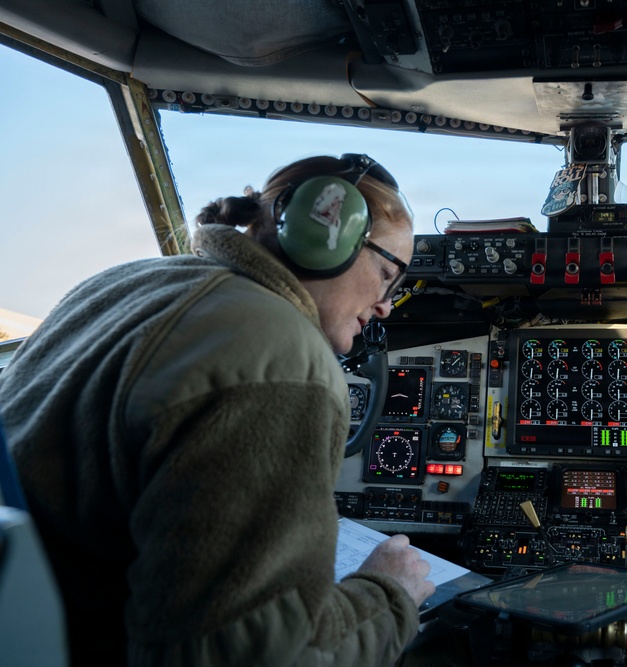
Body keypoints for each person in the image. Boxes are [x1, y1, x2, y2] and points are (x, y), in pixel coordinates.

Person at [0, 154, 434, 665]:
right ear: (330, 239)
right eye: (388, 274)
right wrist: (388, 595)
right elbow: (251, 655)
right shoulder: (279, 358)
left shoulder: (125, 282)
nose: (386, 305)